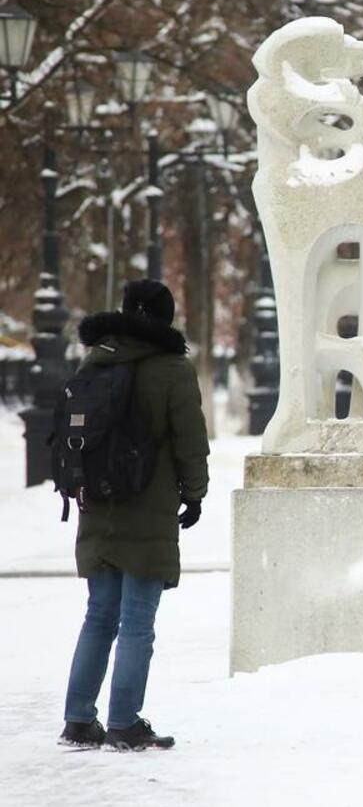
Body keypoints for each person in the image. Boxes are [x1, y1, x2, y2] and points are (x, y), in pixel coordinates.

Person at [60, 280, 209, 751]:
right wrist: (195, 494)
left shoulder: (96, 360)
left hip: (98, 505)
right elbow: (190, 440)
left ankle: (78, 720)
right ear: (165, 318)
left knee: (99, 615)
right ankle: (124, 723)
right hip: (148, 504)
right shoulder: (172, 368)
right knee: (137, 621)